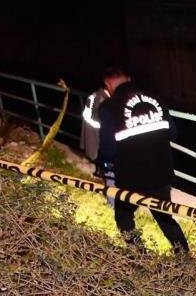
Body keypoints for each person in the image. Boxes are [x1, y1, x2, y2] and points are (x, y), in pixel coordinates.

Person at [97, 68, 189, 254]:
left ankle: (140, 257)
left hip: (131, 175)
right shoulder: (155, 98)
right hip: (161, 170)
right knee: (164, 216)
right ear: (129, 78)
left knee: (123, 217)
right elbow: (173, 133)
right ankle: (184, 256)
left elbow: (108, 148)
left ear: (107, 85)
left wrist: (104, 163)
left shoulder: (108, 107)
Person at [81, 84, 114, 207]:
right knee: (109, 173)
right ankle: (112, 204)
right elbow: (100, 123)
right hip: (97, 139)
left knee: (102, 166)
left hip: (92, 137)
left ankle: (99, 171)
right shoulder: (101, 99)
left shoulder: (95, 96)